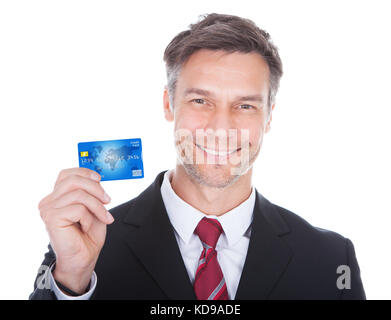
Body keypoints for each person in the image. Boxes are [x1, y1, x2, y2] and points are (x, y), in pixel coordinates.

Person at [30, 13, 366, 300]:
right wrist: (72, 280)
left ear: (268, 117)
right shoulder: (84, 247)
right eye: (201, 101)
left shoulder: (331, 260)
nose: (221, 127)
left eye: (245, 105)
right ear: (168, 105)